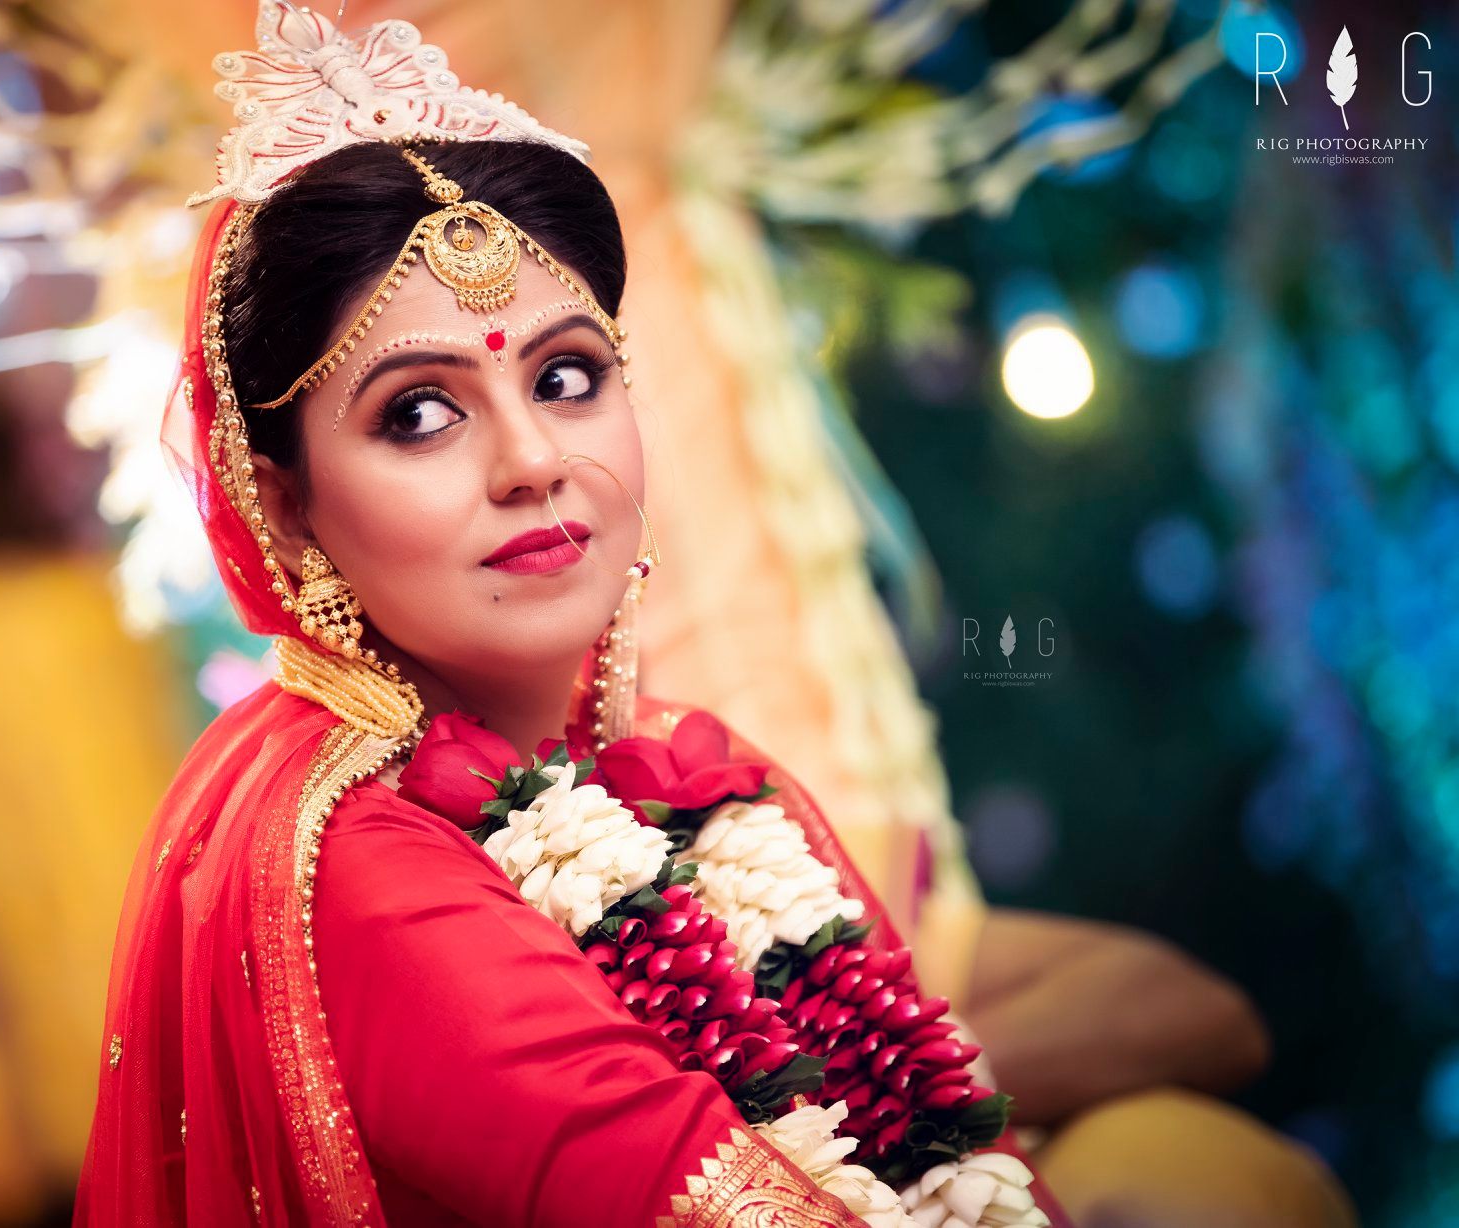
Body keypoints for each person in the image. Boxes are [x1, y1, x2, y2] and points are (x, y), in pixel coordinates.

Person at [74, 5, 1067, 1225]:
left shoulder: (701, 775)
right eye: (419, 415)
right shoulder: (358, 875)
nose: (533, 459)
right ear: (281, 509)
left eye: (564, 376)